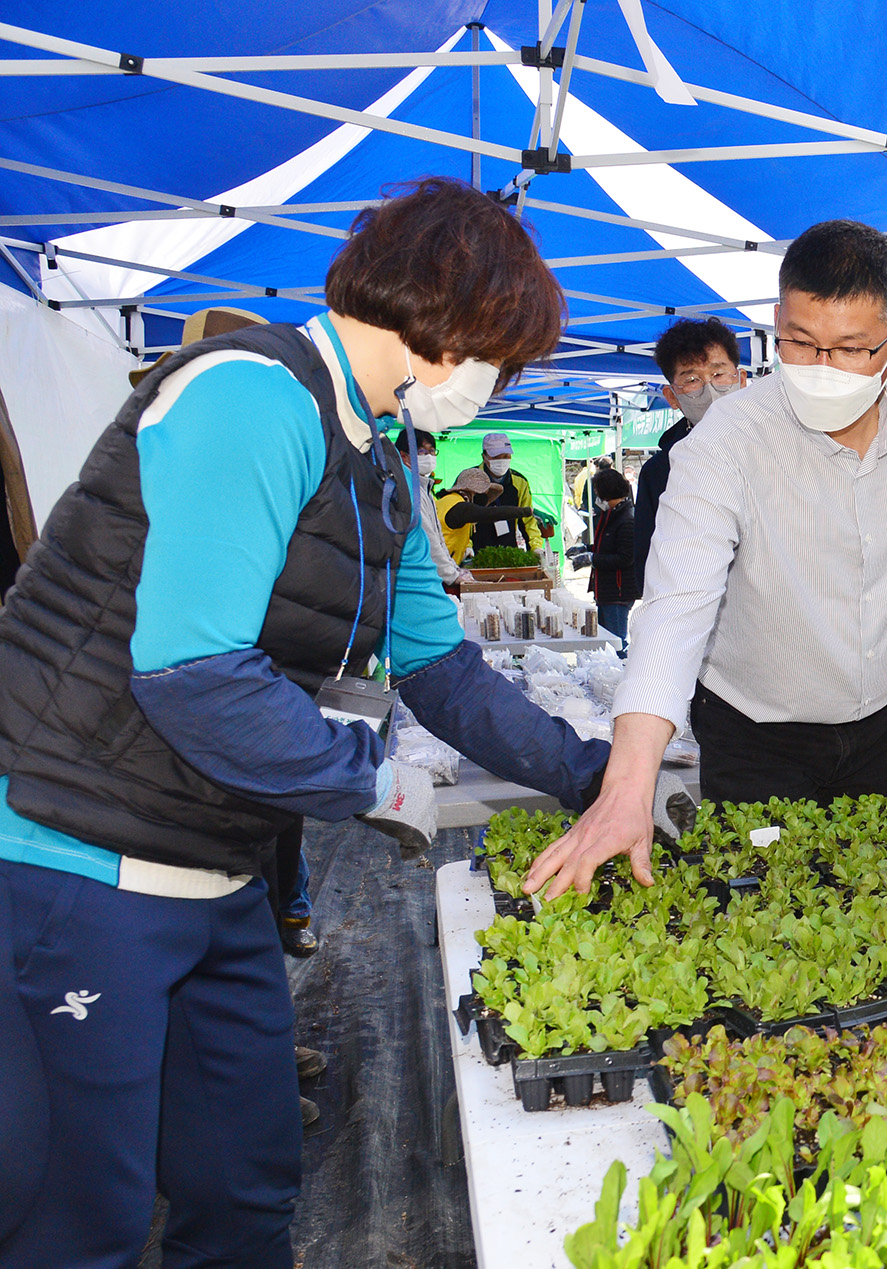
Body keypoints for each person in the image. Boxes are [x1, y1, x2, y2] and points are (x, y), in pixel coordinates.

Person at [0, 178, 616, 1265]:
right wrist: (371, 782)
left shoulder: (375, 458)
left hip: (217, 862)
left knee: (244, 1185)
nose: (497, 386)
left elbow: (441, 669)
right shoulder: (250, 398)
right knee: (76, 1218)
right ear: (448, 322)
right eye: (501, 359)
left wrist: (597, 777)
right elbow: (192, 674)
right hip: (76, 860)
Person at [524, 218, 887, 900]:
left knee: (885, 911)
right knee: (760, 925)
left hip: (884, 730)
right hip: (756, 736)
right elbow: (674, 612)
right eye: (801, 343)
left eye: (851, 349)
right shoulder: (720, 446)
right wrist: (628, 783)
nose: (822, 370)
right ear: (776, 323)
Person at [634, 317, 745, 585]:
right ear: (672, 396)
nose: (710, 389)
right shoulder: (659, 472)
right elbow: (646, 567)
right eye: (692, 379)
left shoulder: (777, 449)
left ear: (741, 379)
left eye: (718, 374)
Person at [572, 467, 641, 647]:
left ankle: (618, 672)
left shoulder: (627, 519)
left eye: (597, 492)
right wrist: (585, 548)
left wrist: (592, 558)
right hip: (605, 589)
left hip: (618, 591)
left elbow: (625, 558)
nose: (596, 497)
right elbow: (607, 546)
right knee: (606, 641)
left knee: (616, 641)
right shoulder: (611, 514)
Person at [396, 426, 468, 589]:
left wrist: (454, 570)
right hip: (413, 579)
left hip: (429, 573)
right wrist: (452, 576)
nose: (429, 456)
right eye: (421, 452)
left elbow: (438, 537)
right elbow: (428, 537)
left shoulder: (423, 486)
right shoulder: (408, 489)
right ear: (404, 456)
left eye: (432, 451)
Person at [461, 431, 543, 555]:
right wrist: (466, 546)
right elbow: (461, 517)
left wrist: (535, 547)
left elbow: (527, 521)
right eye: (496, 457)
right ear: (484, 457)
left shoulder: (520, 481)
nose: (501, 460)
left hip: (508, 550)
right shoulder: (468, 479)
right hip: (475, 550)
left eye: (505, 456)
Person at [436, 465, 536, 565]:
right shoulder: (460, 507)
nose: (485, 499)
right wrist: (526, 511)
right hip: (439, 567)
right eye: (484, 493)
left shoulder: (447, 501)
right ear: (473, 492)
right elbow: (491, 513)